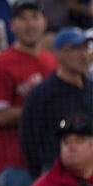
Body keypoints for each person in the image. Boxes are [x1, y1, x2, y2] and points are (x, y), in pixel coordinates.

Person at [0, 0, 57, 186]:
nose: (29, 24)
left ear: (44, 22)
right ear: (12, 24)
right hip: (14, 165)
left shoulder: (51, 61)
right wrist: (38, 108)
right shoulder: (1, 62)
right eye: (22, 18)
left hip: (48, 161)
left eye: (34, 17)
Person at [21, 27, 93, 178]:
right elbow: (29, 142)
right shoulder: (41, 95)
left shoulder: (90, 89)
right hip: (57, 174)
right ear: (58, 54)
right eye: (74, 49)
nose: (82, 55)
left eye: (85, 48)